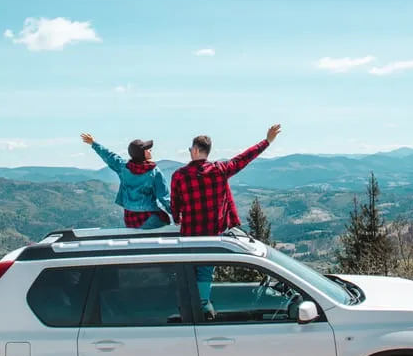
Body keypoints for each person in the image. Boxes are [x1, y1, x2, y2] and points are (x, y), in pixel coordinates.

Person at [170, 124, 282, 312]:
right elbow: (244, 158)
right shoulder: (220, 170)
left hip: (189, 233)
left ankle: (186, 306)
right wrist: (267, 141)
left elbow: (175, 203)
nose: (190, 152)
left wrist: (176, 218)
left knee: (189, 269)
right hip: (213, 234)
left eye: (190, 149)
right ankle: (203, 305)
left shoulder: (179, 175)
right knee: (206, 269)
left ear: (196, 150)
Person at [80, 133, 172, 229]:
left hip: (129, 218)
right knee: (165, 219)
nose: (150, 150)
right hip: (148, 217)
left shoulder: (123, 167)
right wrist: (178, 217)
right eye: (148, 149)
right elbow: (164, 198)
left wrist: (94, 143)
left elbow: (109, 156)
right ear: (143, 153)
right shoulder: (154, 172)